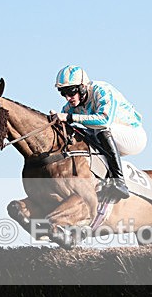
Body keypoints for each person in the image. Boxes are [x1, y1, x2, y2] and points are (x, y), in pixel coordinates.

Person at [50, 65, 146, 201]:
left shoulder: (101, 91)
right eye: (63, 93)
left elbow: (104, 121)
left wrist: (70, 117)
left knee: (101, 130)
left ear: (82, 87)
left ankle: (119, 182)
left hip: (133, 136)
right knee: (81, 133)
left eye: (70, 92)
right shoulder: (73, 104)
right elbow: (63, 120)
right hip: (110, 136)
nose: (67, 97)